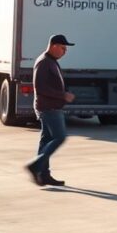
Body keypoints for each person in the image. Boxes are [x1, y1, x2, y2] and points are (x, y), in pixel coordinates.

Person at [25, 34, 76, 187]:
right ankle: (35, 166)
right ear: (53, 46)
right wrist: (62, 95)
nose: (64, 51)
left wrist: (64, 91)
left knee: (46, 140)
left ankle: (43, 174)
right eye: (62, 48)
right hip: (48, 108)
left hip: (51, 106)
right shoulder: (44, 62)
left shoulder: (51, 61)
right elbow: (40, 88)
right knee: (60, 137)